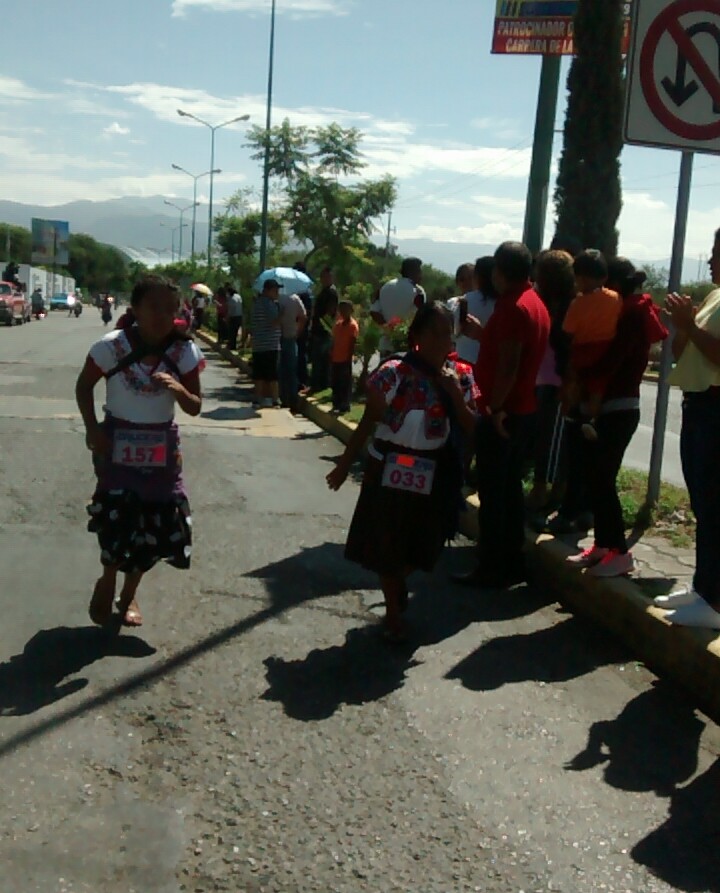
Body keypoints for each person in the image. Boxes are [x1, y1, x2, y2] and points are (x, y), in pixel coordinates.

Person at [327, 303, 479, 640]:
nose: (443, 340)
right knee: (386, 544)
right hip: (390, 468)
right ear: (416, 338)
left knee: (428, 543)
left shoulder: (463, 375)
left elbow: (471, 426)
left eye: (447, 333)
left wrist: (454, 392)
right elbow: (369, 420)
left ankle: (397, 584)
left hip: (435, 472)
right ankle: (394, 612)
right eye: (434, 333)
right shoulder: (394, 372)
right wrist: (343, 464)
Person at [74, 274, 205, 628]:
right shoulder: (110, 346)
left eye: (170, 308)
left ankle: (129, 594)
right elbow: (84, 387)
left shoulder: (184, 351)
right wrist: (93, 429)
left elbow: (195, 406)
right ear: (135, 309)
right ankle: (108, 577)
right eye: (153, 307)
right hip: (116, 444)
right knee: (117, 516)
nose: (162, 315)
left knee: (155, 523)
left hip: (161, 449)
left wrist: (178, 387)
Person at [454, 241, 550, 588]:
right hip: (521, 409)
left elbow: (509, 365)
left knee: (495, 495)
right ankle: (511, 560)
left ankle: (492, 565)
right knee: (508, 491)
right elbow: (510, 351)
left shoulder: (512, 307)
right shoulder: (533, 302)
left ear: (499, 271)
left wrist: (494, 407)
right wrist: (483, 335)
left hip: (504, 413)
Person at [564, 258, 667, 578]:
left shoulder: (632, 314)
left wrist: (582, 375)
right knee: (596, 477)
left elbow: (613, 360)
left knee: (603, 479)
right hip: (612, 406)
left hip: (619, 407)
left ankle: (620, 553)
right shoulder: (627, 309)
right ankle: (604, 547)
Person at [656, 231, 720, 628]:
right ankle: (703, 586)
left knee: (715, 504)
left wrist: (690, 327)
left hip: (716, 408)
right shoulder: (715, 296)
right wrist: (681, 326)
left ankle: (714, 603)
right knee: (704, 502)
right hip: (698, 406)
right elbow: (684, 351)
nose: (711, 261)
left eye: (716, 254)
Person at [527, 249, 576, 512]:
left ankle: (546, 493)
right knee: (550, 439)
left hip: (555, 379)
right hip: (549, 377)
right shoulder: (564, 302)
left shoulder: (553, 303)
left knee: (551, 439)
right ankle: (547, 491)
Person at [562, 250, 623, 440]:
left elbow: (568, 331)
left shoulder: (577, 303)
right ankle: (591, 419)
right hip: (605, 349)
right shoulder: (615, 298)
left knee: (575, 380)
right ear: (604, 277)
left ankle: (571, 412)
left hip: (581, 348)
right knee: (598, 387)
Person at [370, 257, 426, 359]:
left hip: (386, 345)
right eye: (420, 271)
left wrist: (387, 327)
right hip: (407, 347)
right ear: (414, 272)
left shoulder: (386, 286)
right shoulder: (418, 291)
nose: (421, 275)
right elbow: (421, 317)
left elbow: (374, 312)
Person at [448, 256, 497, 366]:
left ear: (477, 277)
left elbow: (453, 332)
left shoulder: (464, 301)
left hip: (464, 361)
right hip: (491, 363)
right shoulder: (503, 303)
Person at [251, 279, 283, 408]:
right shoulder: (269, 304)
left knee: (259, 374)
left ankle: (258, 399)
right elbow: (274, 321)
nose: (277, 293)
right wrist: (282, 313)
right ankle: (275, 399)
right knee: (272, 375)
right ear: (268, 290)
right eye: (275, 290)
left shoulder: (257, 303)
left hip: (258, 344)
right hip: (270, 345)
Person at [308, 267, 339, 393]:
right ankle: (319, 384)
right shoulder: (324, 291)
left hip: (323, 331)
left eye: (327, 277)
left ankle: (319, 385)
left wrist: (324, 326)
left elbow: (330, 312)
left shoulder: (331, 292)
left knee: (321, 359)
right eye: (323, 277)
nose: (324, 279)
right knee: (319, 359)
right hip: (318, 329)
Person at [278, 288, 307, 412]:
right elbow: (303, 316)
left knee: (281, 371)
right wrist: (298, 331)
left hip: (278, 338)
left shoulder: (276, 299)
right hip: (290, 337)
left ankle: (284, 399)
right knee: (291, 371)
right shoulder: (295, 298)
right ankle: (292, 400)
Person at [330, 300, 359, 414]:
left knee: (345, 383)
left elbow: (353, 342)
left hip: (345, 359)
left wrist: (349, 357)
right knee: (336, 382)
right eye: (341, 309)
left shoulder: (352, 326)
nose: (343, 312)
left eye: (346, 309)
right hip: (336, 358)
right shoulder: (338, 325)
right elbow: (334, 341)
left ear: (351, 310)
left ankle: (345, 404)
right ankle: (336, 403)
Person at [226, 283, 243, 351]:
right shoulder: (238, 296)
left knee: (232, 332)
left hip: (233, 317)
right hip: (240, 316)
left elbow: (230, 310)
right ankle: (233, 345)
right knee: (235, 332)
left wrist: (227, 318)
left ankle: (232, 346)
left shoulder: (231, 299)